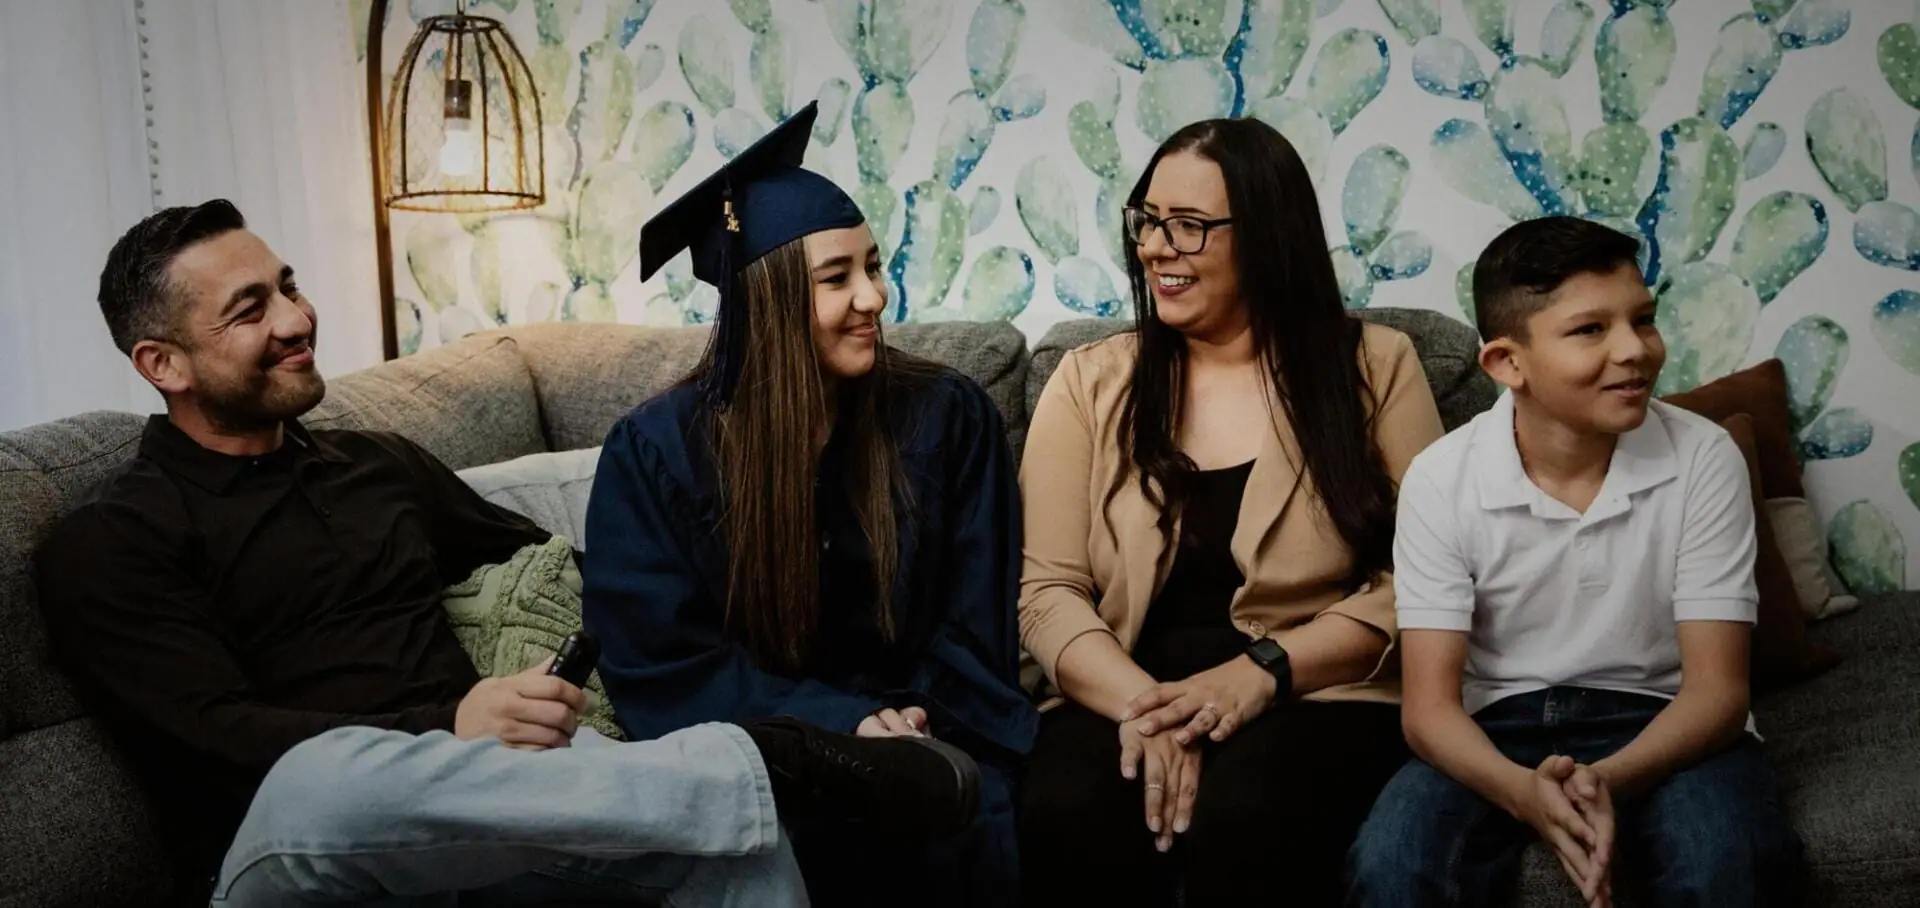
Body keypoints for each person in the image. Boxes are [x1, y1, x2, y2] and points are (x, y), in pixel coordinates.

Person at [36, 198, 981, 907]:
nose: (295, 319)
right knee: (319, 779)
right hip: (301, 849)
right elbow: (216, 746)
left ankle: (748, 778)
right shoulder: (110, 540)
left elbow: (561, 569)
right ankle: (773, 761)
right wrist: (449, 724)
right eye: (250, 309)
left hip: (498, 817)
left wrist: (538, 681)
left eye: (288, 284)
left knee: (738, 849)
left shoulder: (375, 467)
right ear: (164, 364)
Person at [580, 102, 1036, 907]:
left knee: (959, 819)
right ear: (767, 301)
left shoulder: (948, 416)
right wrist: (835, 724)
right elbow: (663, 664)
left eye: (874, 266)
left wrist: (907, 729)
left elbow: (975, 630)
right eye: (838, 277)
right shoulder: (657, 453)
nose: (874, 296)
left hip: (933, 743)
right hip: (768, 757)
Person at [1014, 116, 1445, 906]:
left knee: (1247, 813)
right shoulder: (1086, 382)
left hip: (1312, 691)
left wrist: (1262, 674)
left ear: (1268, 235)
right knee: (1066, 807)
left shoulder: (1379, 368)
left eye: (1189, 227)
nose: (1156, 248)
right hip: (1125, 683)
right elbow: (1046, 593)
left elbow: (1425, 580)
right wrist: (1147, 711)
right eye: (1148, 220)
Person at [1346, 216, 1806, 907]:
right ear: (1507, 364)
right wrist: (1525, 794)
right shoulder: (1442, 478)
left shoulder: (1705, 457)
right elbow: (1430, 712)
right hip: (1495, 725)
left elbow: (1717, 692)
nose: (1635, 351)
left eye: (1643, 320)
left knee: (1729, 861)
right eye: (1590, 330)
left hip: (1666, 718)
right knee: (1392, 866)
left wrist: (1602, 783)